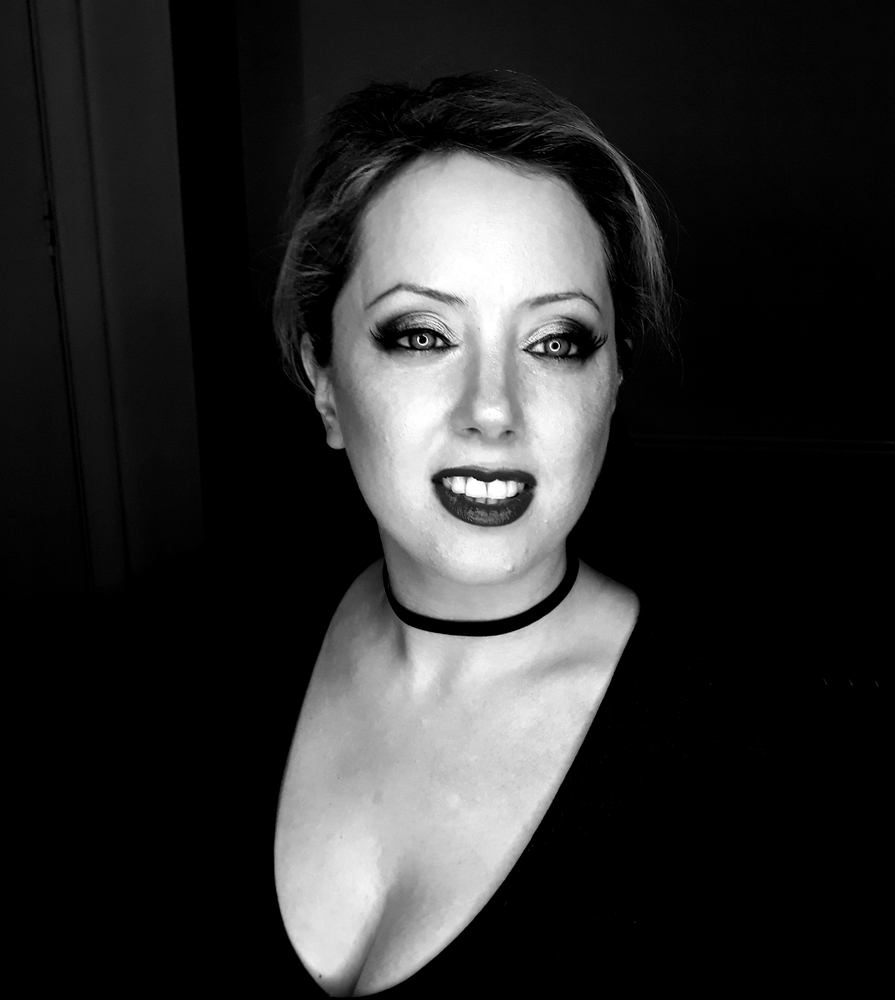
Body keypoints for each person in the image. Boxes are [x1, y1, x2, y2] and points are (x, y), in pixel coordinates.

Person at [269, 72, 770, 996]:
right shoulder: (183, 663)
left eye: (555, 342)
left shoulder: (746, 758)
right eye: (421, 334)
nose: (492, 409)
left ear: (611, 386)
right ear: (326, 382)